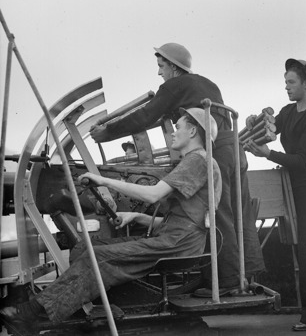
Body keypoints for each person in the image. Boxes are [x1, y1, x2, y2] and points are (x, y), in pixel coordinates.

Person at [0, 108, 222, 327]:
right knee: (82, 249)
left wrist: (104, 181)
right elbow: (180, 221)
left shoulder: (198, 160)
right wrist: (136, 216)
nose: (174, 132)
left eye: (178, 127)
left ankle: (30, 313)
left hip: (178, 244)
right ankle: (76, 304)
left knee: (98, 258)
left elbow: (153, 195)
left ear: (192, 131)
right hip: (175, 238)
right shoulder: (196, 161)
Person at [89, 42, 265, 294]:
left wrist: (108, 132)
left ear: (173, 66)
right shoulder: (208, 83)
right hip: (233, 148)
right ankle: (241, 279)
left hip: (214, 150)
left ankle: (225, 283)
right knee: (239, 212)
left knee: (217, 216)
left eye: (161, 66)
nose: (160, 72)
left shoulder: (174, 86)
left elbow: (146, 115)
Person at [244, 59, 306, 331]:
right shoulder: (289, 111)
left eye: (291, 82)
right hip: (293, 186)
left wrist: (268, 154)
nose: (286, 87)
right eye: (285, 82)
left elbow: (301, 160)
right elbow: (271, 130)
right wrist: (255, 124)